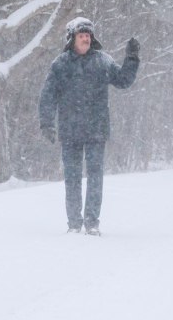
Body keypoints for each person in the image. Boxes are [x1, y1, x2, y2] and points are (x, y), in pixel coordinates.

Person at [39, 16, 140, 235]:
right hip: (70, 131)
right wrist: (46, 123)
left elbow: (123, 80)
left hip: (96, 130)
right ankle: (74, 223)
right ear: (71, 39)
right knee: (72, 179)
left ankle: (92, 222)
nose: (85, 39)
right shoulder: (60, 65)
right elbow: (48, 96)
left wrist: (132, 58)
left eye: (88, 35)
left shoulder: (102, 62)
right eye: (81, 35)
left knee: (95, 178)